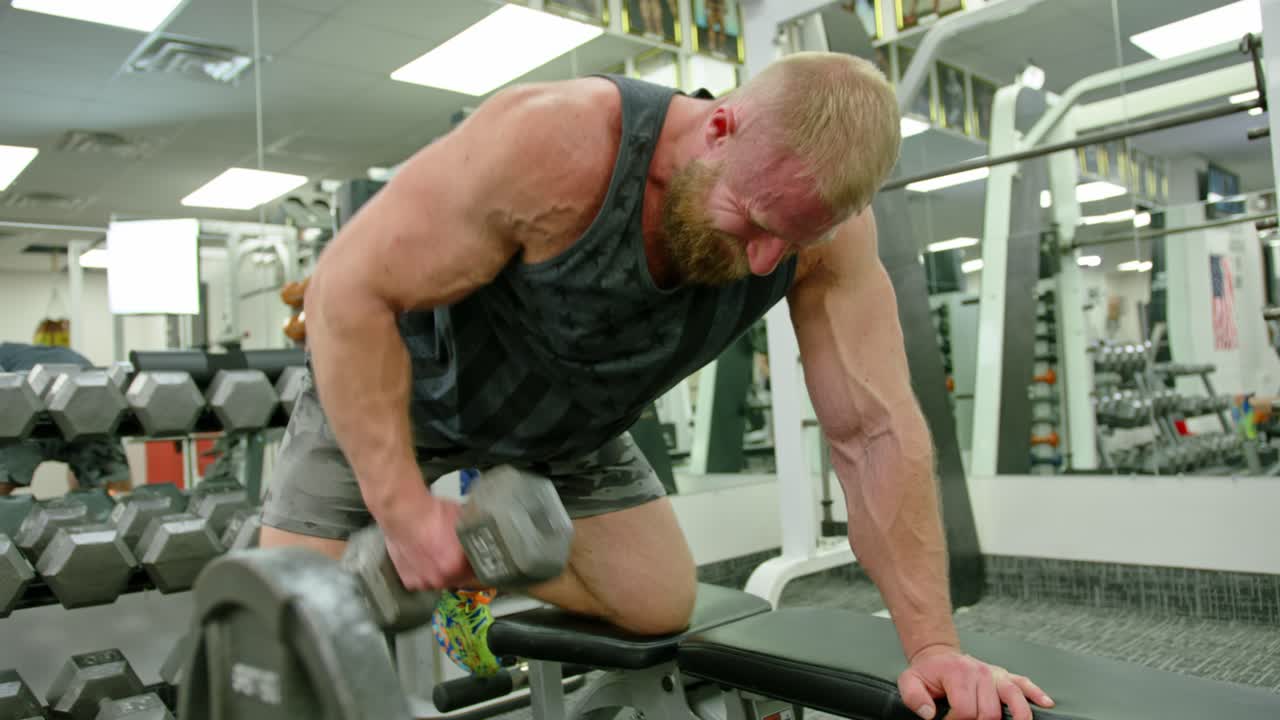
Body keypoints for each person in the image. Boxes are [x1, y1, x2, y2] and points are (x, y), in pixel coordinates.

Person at [261, 52, 1054, 720]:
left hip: (571, 426)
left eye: (793, 240)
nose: (761, 263)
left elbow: (873, 433)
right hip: (398, 391)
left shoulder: (827, 240)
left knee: (657, 600)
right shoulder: (556, 139)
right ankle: (414, 544)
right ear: (717, 127)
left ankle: (474, 546)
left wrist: (935, 647)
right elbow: (347, 292)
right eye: (752, 219)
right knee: (282, 640)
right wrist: (401, 511)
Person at [0, 342, 133, 496]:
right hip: (85, 409)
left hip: (28, 417)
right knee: (112, 492)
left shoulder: (6, 354)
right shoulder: (65, 354)